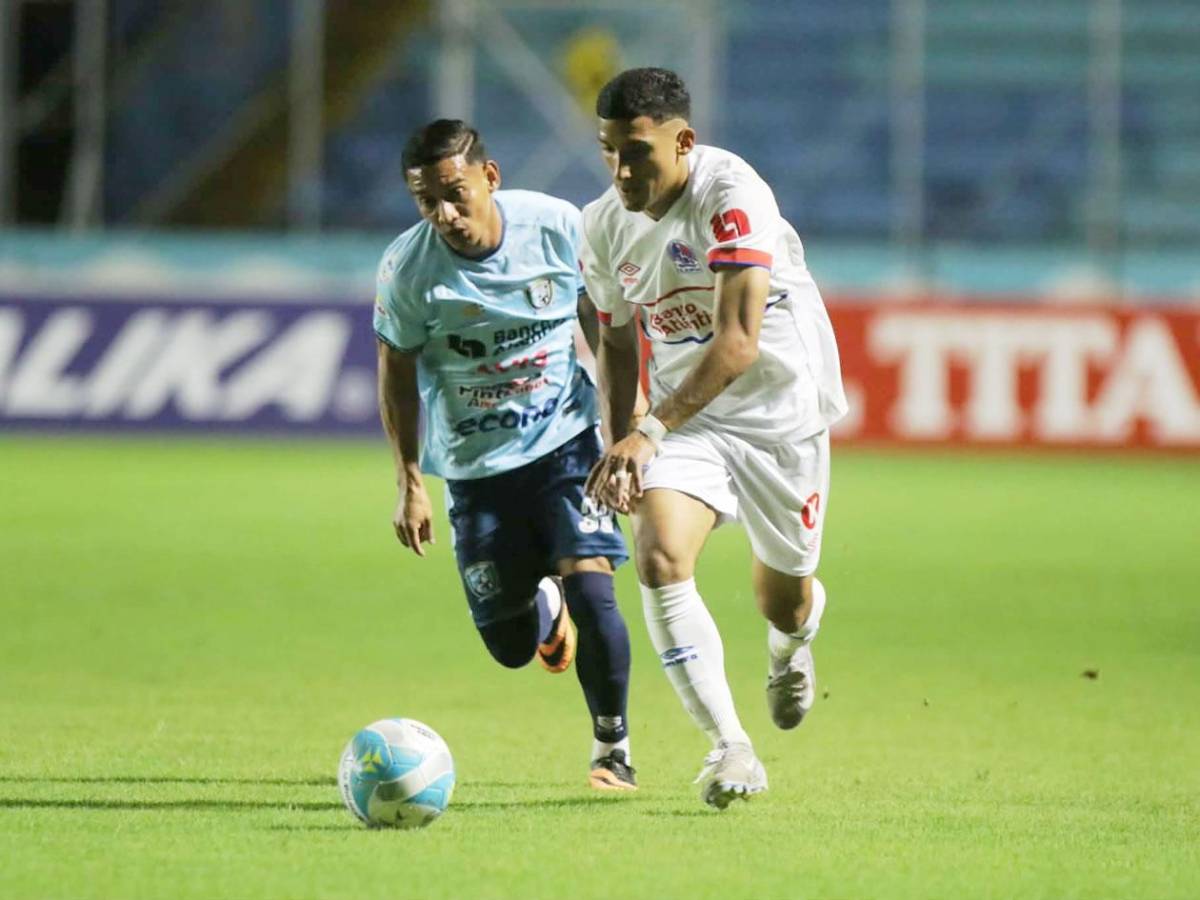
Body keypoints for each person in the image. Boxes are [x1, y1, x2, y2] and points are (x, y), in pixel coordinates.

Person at [579, 68, 848, 809]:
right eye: (608, 153)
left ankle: (792, 646)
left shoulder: (733, 195)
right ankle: (730, 747)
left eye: (637, 152)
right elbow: (615, 341)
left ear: (684, 141)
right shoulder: (602, 224)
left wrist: (648, 428)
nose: (622, 171)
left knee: (782, 599)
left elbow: (736, 342)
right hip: (686, 421)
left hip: (777, 415)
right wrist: (621, 446)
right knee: (660, 556)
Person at [375, 118, 637, 791]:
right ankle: (541, 613)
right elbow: (397, 373)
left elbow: (601, 318)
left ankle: (613, 748)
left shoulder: (555, 226)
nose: (445, 214)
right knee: (511, 649)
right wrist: (409, 479)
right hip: (476, 472)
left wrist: (621, 423)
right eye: (427, 202)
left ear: (490, 177)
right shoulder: (409, 270)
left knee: (595, 588)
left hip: (567, 445)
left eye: (455, 192)